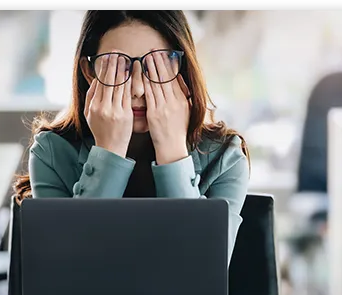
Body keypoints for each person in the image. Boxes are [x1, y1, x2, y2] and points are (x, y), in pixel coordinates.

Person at [14, 10, 250, 262]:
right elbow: (68, 267)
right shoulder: (52, 153)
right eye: (118, 66)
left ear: (182, 68)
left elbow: (202, 268)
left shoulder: (225, 157)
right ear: (89, 71)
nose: (137, 88)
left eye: (156, 66)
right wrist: (108, 152)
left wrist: (172, 152)